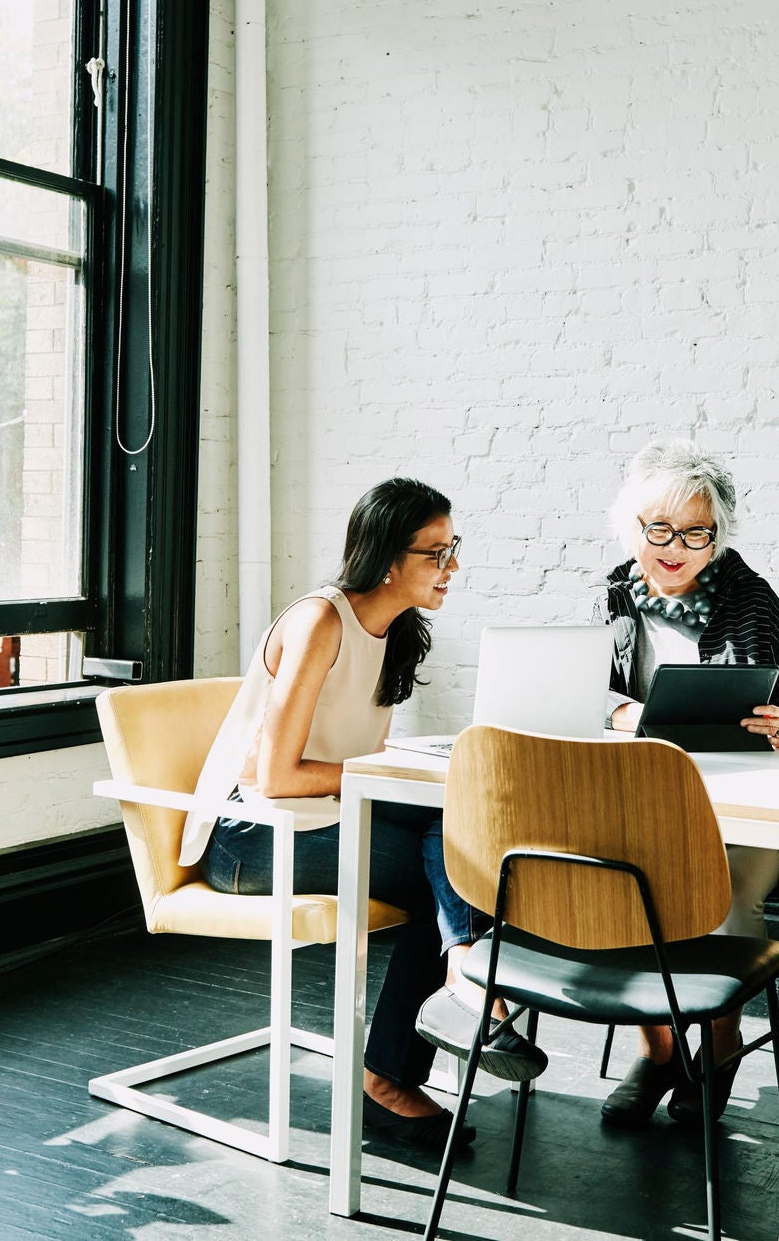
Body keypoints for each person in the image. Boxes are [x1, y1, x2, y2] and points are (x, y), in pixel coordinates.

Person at [179, 478, 539, 1152]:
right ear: (387, 558)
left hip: (320, 820)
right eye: (437, 552)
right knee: (457, 862)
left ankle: (453, 976)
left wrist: (412, 772)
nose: (452, 566)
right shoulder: (321, 620)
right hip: (253, 836)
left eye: (452, 547)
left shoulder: (396, 632)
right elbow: (280, 777)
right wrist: (387, 775)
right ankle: (428, 1024)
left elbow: (351, 763)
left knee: (462, 828)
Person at [594, 441, 779, 1129]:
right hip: (655, 800)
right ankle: (662, 1049)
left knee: (722, 895)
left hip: (748, 811)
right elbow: (588, 690)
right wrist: (622, 710)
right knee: (622, 883)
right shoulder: (615, 595)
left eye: (696, 533)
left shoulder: (750, 597)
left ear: (717, 536)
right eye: (658, 530)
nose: (675, 548)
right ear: (631, 526)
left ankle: (721, 1049)